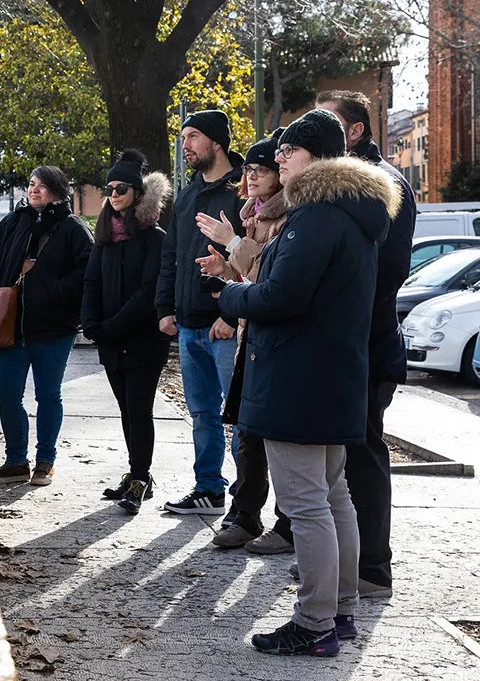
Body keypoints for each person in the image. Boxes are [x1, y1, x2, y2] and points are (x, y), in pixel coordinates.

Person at [217, 108, 401, 657]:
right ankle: (339, 611)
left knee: (307, 504)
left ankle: (315, 621)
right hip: (331, 373)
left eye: (288, 152)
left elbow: (281, 297)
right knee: (333, 495)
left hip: (298, 377)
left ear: (317, 158)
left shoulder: (317, 216)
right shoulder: (349, 213)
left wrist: (230, 296)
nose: (277, 159)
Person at [285, 89, 412, 598]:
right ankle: (340, 568)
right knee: (335, 465)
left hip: (366, 344)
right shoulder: (336, 194)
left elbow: (385, 273)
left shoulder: (381, 188)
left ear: (353, 132)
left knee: (361, 454)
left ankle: (371, 569)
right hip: (345, 343)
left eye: (330, 124)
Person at [193, 132, 291, 550]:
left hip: (276, 342)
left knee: (279, 436)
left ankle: (286, 524)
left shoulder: (289, 217)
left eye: (261, 169)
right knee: (246, 430)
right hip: (252, 338)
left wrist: (232, 244)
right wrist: (226, 269)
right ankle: (244, 514)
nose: (250, 177)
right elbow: (250, 280)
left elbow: (271, 281)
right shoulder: (252, 213)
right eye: (247, 169)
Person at [0, 166, 93, 487]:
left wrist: (51, 291)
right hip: (10, 326)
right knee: (8, 395)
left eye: (42, 185)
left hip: (54, 328)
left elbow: (88, 272)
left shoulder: (73, 229)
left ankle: (45, 462)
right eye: (31, 184)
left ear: (57, 190)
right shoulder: (14, 222)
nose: (34, 190)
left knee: (48, 395)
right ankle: (16, 461)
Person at [154, 109, 245, 515]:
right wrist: (165, 307)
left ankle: (249, 497)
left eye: (192, 137)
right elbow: (171, 254)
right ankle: (209, 488)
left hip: (226, 325)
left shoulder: (244, 191)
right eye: (184, 137)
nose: (185, 146)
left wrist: (232, 313)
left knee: (241, 417)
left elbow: (255, 261)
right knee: (202, 413)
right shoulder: (187, 194)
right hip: (188, 324)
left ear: (216, 142)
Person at [80, 150, 171, 514]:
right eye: (110, 188)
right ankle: (136, 472)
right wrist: (91, 324)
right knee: (125, 409)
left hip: (143, 340)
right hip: (110, 340)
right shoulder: (103, 237)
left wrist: (112, 327)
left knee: (139, 408)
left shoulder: (154, 237)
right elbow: (91, 283)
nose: (114, 194)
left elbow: (149, 291)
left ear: (137, 192)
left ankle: (140, 477)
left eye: (121, 188)